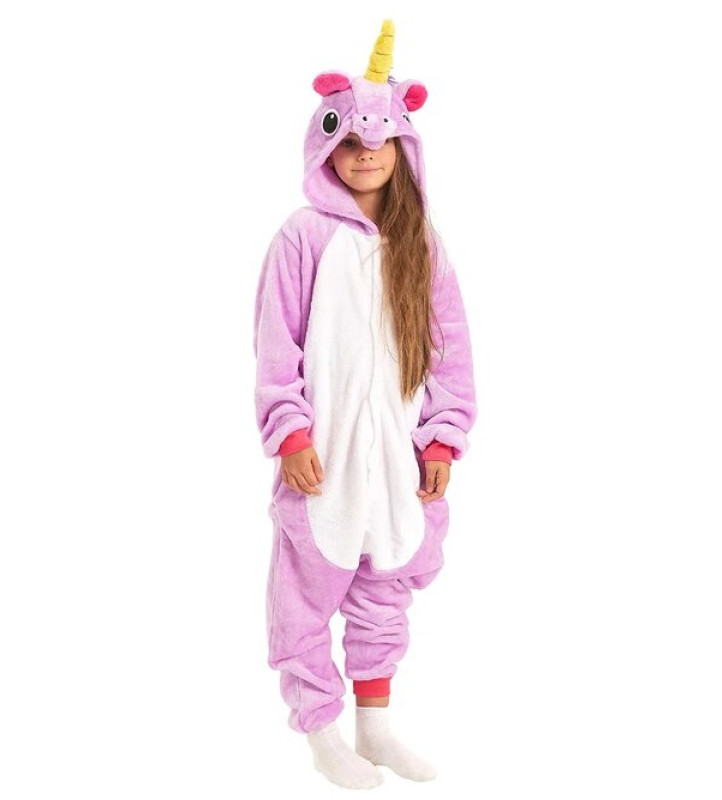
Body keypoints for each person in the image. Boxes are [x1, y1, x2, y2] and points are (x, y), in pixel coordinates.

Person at [252, 19, 477, 789]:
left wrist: (442, 438)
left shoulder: (422, 245)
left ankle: (374, 726)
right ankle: (321, 732)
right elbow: (276, 346)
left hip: (398, 453)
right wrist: (290, 433)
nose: (365, 154)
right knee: (306, 588)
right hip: (324, 454)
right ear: (326, 148)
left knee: (384, 586)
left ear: (403, 147)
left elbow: (451, 350)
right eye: (348, 142)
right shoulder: (302, 238)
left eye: (379, 142)